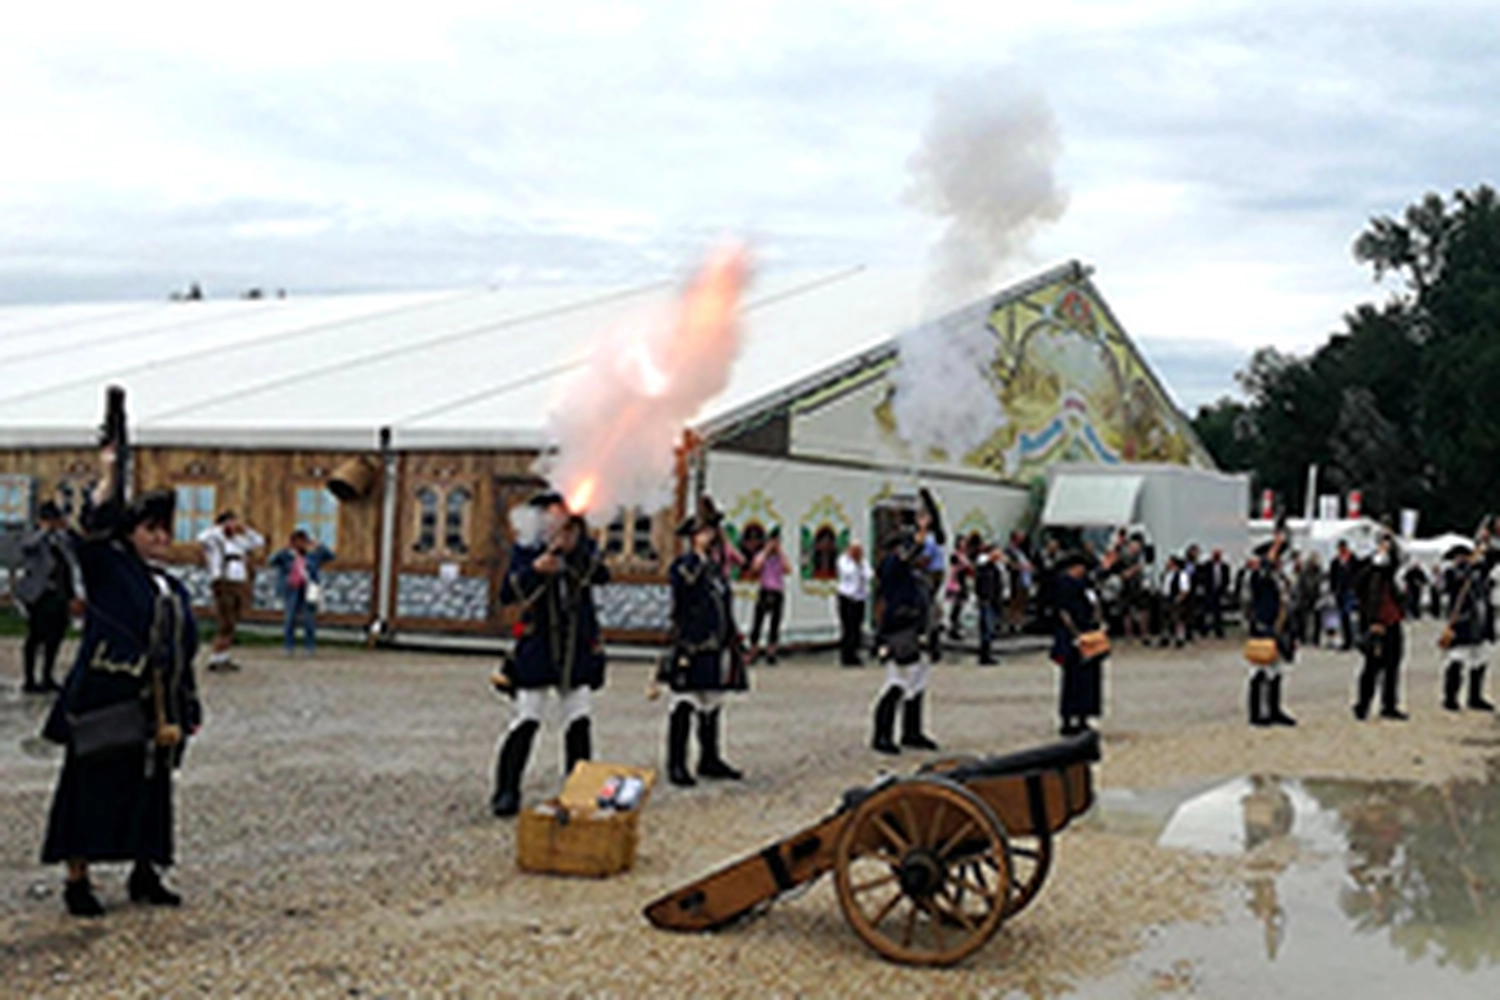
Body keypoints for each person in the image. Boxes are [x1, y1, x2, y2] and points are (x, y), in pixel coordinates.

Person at [40, 449, 202, 918]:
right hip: (106, 701)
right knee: (89, 788)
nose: (161, 538)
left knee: (149, 790)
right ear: (130, 535)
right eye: (150, 530)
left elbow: (181, 649)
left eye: (165, 530)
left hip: (156, 706)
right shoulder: (109, 571)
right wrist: (111, 475)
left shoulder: (172, 587)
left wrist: (186, 705)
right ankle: (77, 878)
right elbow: (94, 525)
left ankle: (145, 871)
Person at [490, 493, 609, 817]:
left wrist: (575, 550)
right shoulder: (526, 550)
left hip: (576, 648)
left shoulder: (583, 550)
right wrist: (536, 569)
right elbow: (507, 593)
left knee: (578, 722)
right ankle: (506, 789)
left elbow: (601, 575)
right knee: (527, 719)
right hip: (537, 647)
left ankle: (578, 789)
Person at [663, 511, 746, 787]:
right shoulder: (684, 565)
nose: (710, 537)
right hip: (691, 645)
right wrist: (699, 554)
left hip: (715, 646)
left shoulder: (715, 570)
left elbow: (723, 606)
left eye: (710, 532)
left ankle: (709, 759)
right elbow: (686, 586)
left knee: (712, 704)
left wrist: (733, 637)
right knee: (683, 704)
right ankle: (676, 764)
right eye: (703, 533)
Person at [870, 525, 941, 753]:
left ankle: (912, 731)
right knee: (896, 683)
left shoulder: (912, 574)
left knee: (917, 684)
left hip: (916, 630)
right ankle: (882, 735)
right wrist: (919, 536)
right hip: (900, 631)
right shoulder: (892, 566)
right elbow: (906, 556)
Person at [15, 501, 80, 694]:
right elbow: (27, 546)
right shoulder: (32, 533)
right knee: (36, 636)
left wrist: (65, 530)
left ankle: (47, 676)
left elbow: (71, 555)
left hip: (60, 593)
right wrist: (45, 530)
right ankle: (29, 678)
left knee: (56, 635)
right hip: (39, 594)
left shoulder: (60, 539)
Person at [197, 510, 264, 673]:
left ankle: (223, 657)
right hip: (223, 582)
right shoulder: (215, 540)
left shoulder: (240, 541)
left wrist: (245, 529)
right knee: (225, 621)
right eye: (232, 522)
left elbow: (259, 541)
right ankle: (215, 658)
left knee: (233, 621)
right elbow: (202, 537)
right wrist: (221, 528)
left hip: (239, 583)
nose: (234, 526)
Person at [1051, 551, 1108, 735]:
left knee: (1089, 678)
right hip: (1074, 636)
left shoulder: (1086, 585)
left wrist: (1098, 624)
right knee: (1072, 678)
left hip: (1089, 632)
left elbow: (1095, 603)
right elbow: (1063, 611)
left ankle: (1084, 715)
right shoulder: (1064, 584)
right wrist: (1075, 633)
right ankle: (1068, 717)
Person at [1354, 533, 1407, 721]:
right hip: (1376, 621)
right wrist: (1371, 622)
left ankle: (1389, 704)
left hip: (1393, 619)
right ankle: (1362, 705)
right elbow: (1358, 586)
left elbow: (1398, 560)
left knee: (1393, 664)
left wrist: (1391, 541)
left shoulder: (1390, 569)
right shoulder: (1367, 567)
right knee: (1372, 666)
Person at [1245, 535, 1297, 726]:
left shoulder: (1278, 578)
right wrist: (1275, 546)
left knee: (1275, 671)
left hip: (1277, 627)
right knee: (1259, 671)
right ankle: (1256, 713)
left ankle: (1274, 709)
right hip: (1263, 626)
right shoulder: (1258, 575)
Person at [1440, 543, 1495, 712]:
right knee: (1457, 660)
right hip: (1462, 623)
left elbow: (1491, 561)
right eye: (1459, 557)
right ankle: (1450, 698)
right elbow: (1452, 585)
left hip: (1481, 622)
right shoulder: (1451, 573)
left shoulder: (1479, 572)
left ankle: (1475, 697)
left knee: (1480, 661)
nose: (1462, 559)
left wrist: (1486, 546)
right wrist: (1468, 569)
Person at [269, 530, 335, 656]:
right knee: (290, 618)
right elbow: (272, 560)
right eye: (297, 541)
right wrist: (284, 548)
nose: (300, 544)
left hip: (308, 589)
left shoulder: (313, 555)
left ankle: (309, 646)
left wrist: (319, 545)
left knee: (309, 619)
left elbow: (331, 556)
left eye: (303, 541)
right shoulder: (286, 556)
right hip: (291, 589)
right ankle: (289, 646)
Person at [746, 528, 788, 665]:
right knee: (758, 621)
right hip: (765, 590)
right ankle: (754, 649)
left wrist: (779, 552)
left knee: (775, 623)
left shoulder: (780, 557)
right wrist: (766, 551)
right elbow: (755, 568)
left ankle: (771, 651)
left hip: (778, 591)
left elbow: (787, 569)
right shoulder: (761, 556)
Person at [834, 540, 872, 667]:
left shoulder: (863, 562)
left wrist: (860, 563)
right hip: (847, 596)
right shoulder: (843, 560)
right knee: (847, 626)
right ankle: (846, 654)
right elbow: (847, 573)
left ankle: (854, 653)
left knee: (857, 625)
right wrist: (856, 563)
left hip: (860, 597)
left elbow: (869, 575)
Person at [974, 543, 1007, 665]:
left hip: (994, 599)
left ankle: (987, 653)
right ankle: (984, 654)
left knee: (991, 627)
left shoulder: (997, 567)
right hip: (987, 599)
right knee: (987, 627)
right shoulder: (985, 566)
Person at [1329, 540, 1359, 651]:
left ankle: (1353, 639)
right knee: (1342, 617)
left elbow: (1357, 574)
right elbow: (1332, 577)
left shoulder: (1353, 560)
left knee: (1350, 615)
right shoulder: (1335, 562)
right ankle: (1347, 640)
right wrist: (1333, 590)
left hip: (1350, 591)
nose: (1341, 550)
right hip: (1340, 592)